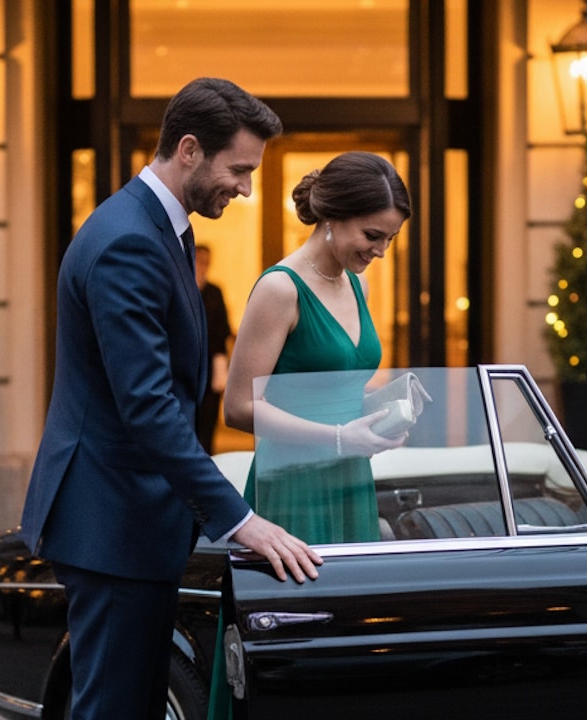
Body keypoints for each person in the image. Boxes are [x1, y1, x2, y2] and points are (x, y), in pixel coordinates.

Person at [17, 77, 322, 720]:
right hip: (111, 522)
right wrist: (238, 519)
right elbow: (149, 406)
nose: (245, 188)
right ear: (188, 149)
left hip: (129, 522)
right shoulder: (129, 239)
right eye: (239, 170)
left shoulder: (158, 227)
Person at [207, 151, 413, 719]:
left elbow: (333, 393)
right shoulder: (280, 288)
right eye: (372, 235)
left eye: (389, 240)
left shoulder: (355, 284)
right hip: (292, 486)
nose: (379, 250)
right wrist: (341, 437)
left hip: (349, 482)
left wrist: (383, 410)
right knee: (294, 660)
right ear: (333, 217)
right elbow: (239, 406)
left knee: (349, 658)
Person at [195, 244, 232, 454]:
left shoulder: (214, 292)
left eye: (206, 262)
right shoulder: (184, 288)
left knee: (208, 415)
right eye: (200, 261)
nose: (203, 266)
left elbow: (223, 328)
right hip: (189, 362)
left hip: (211, 362)